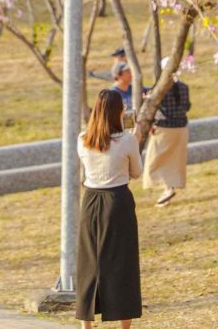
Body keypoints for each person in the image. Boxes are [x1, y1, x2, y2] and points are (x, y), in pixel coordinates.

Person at [76, 89, 142, 328]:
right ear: (118, 112)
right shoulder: (127, 140)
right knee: (122, 262)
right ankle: (124, 324)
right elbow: (136, 172)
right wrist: (137, 138)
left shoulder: (83, 139)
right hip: (118, 201)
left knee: (89, 261)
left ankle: (87, 324)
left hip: (91, 200)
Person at [143, 58, 190, 207]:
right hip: (181, 129)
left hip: (163, 129)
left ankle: (166, 188)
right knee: (175, 162)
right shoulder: (184, 87)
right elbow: (187, 107)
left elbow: (152, 107)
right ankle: (168, 190)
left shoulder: (159, 89)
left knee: (154, 160)